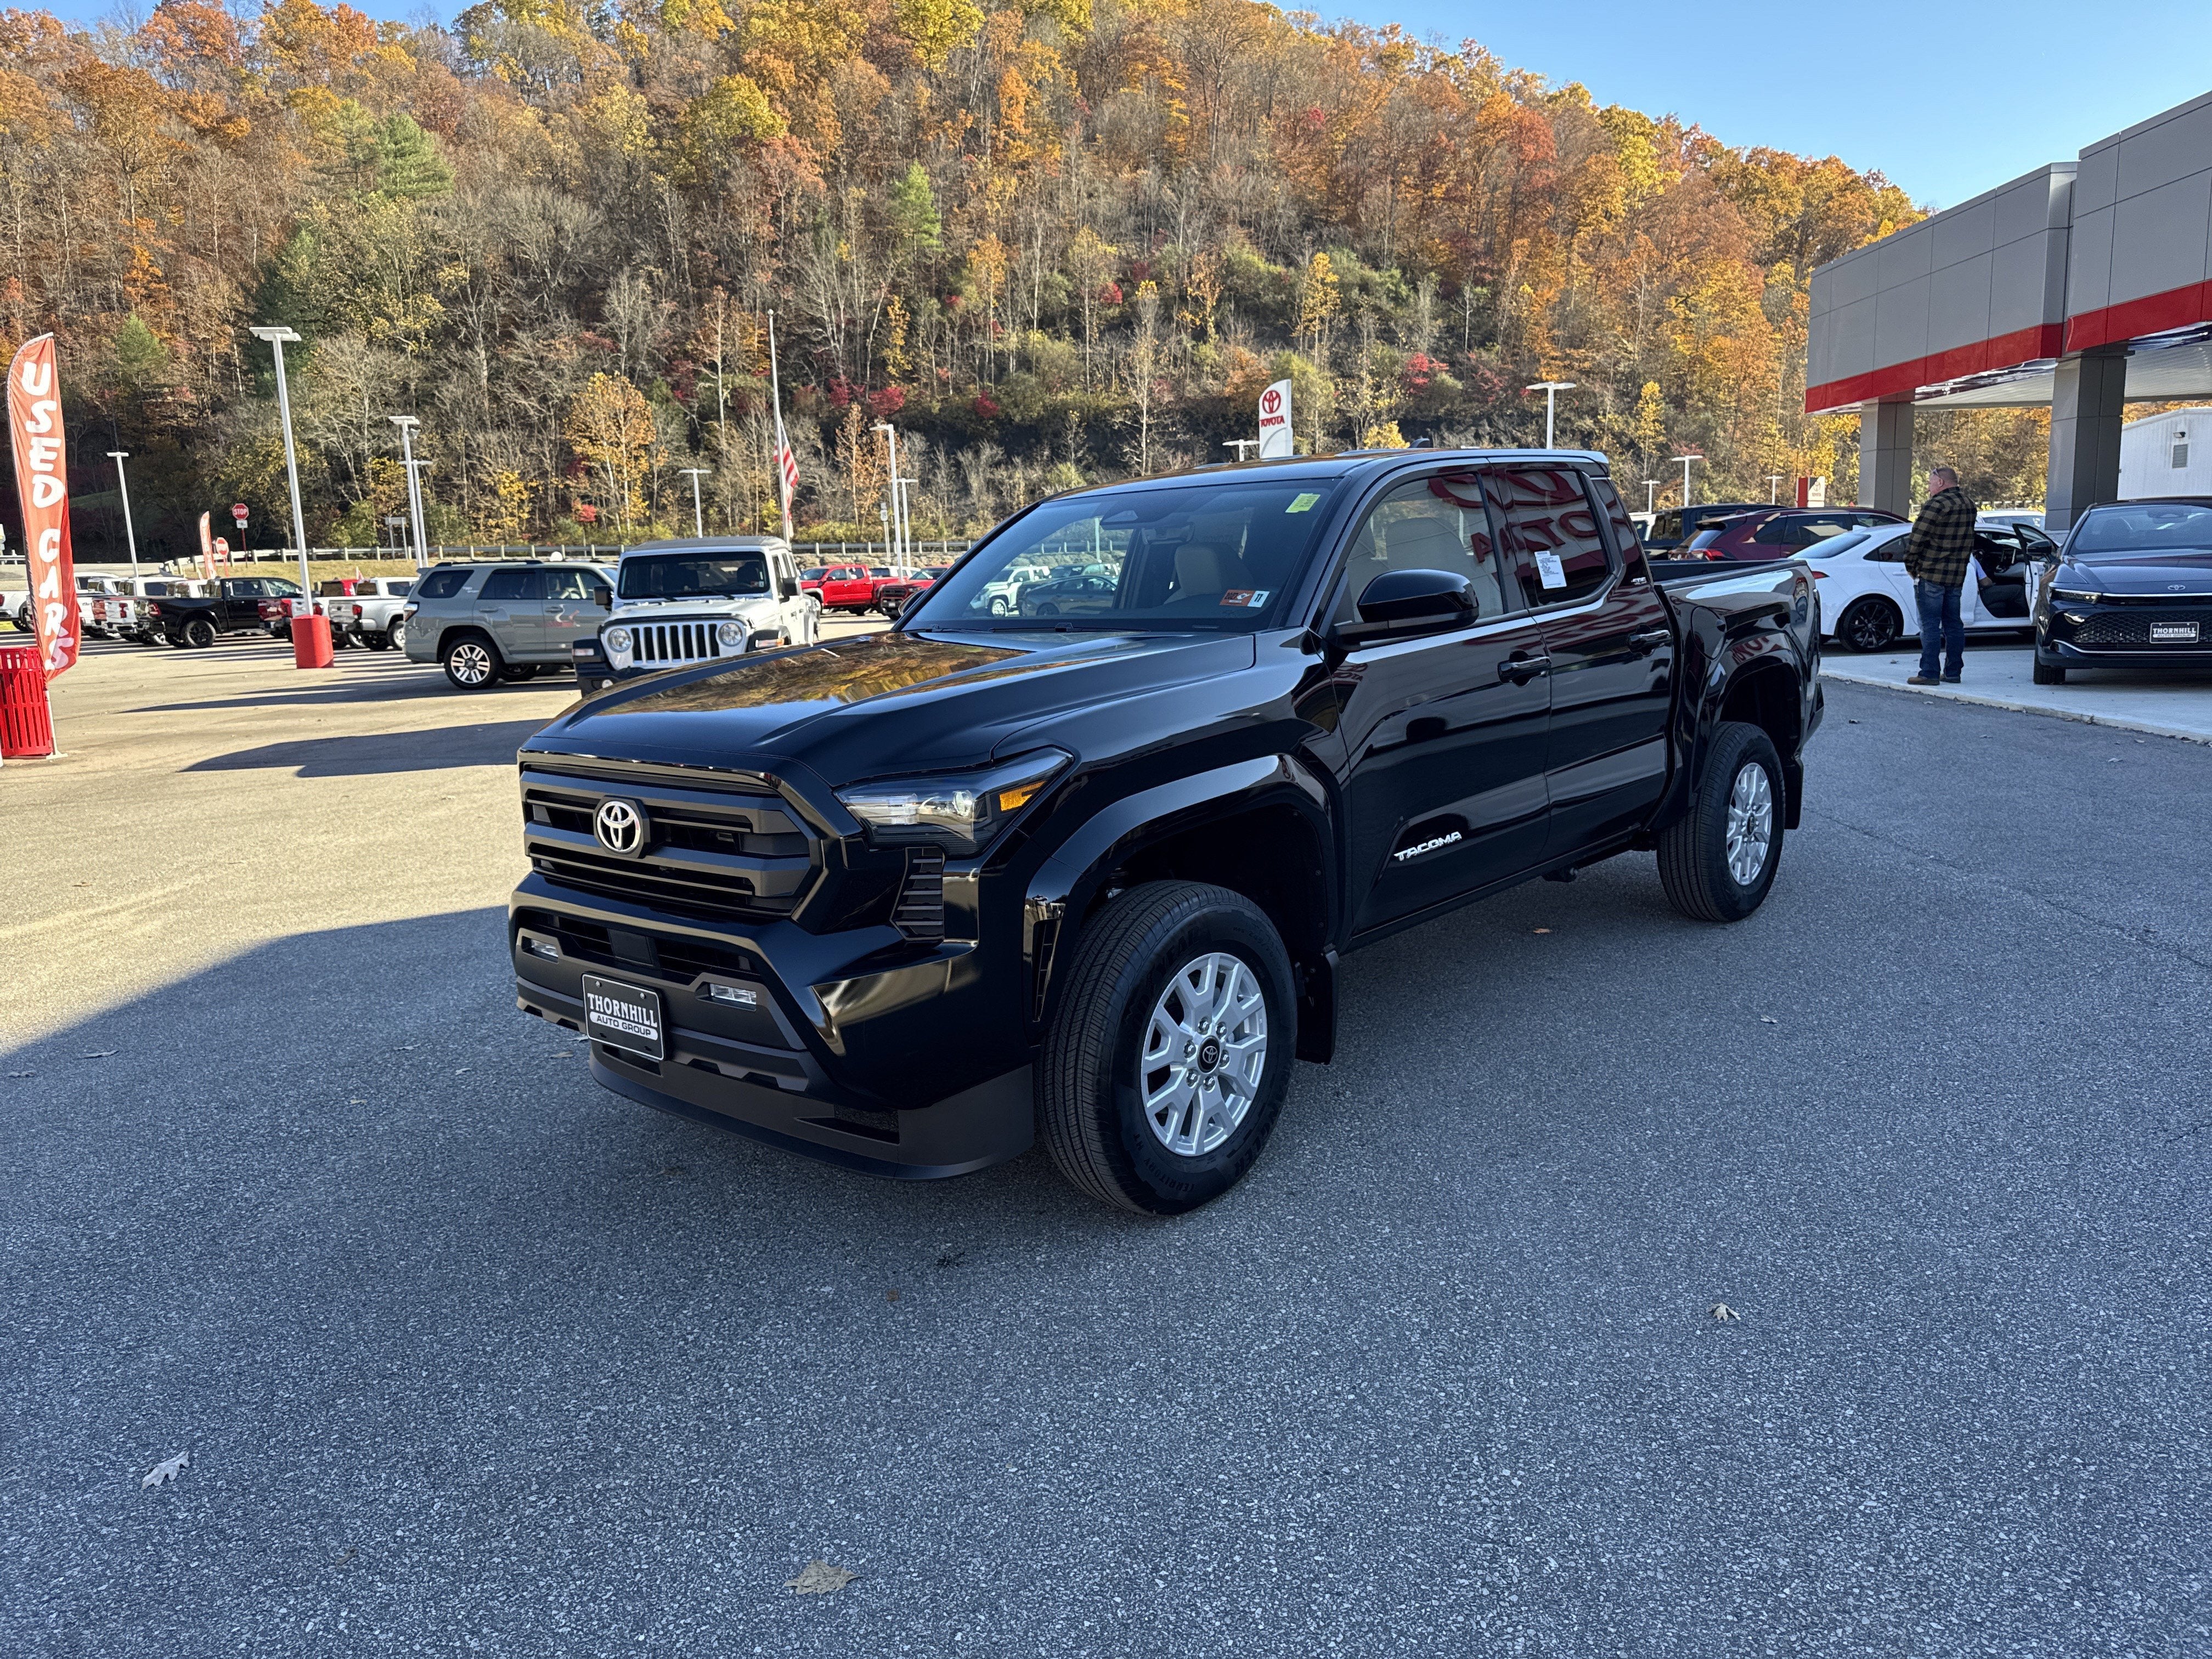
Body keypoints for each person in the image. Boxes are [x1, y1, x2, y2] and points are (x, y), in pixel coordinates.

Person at [1901, 465, 1976, 685]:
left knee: (1930, 625)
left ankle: (1929, 673)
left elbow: (1917, 539)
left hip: (1932, 574)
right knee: (1954, 624)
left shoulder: (1936, 504)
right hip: (1956, 576)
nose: (1928, 487)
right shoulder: (1969, 504)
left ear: (1940, 483)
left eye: (1930, 482)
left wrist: (1911, 566)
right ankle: (1953, 672)